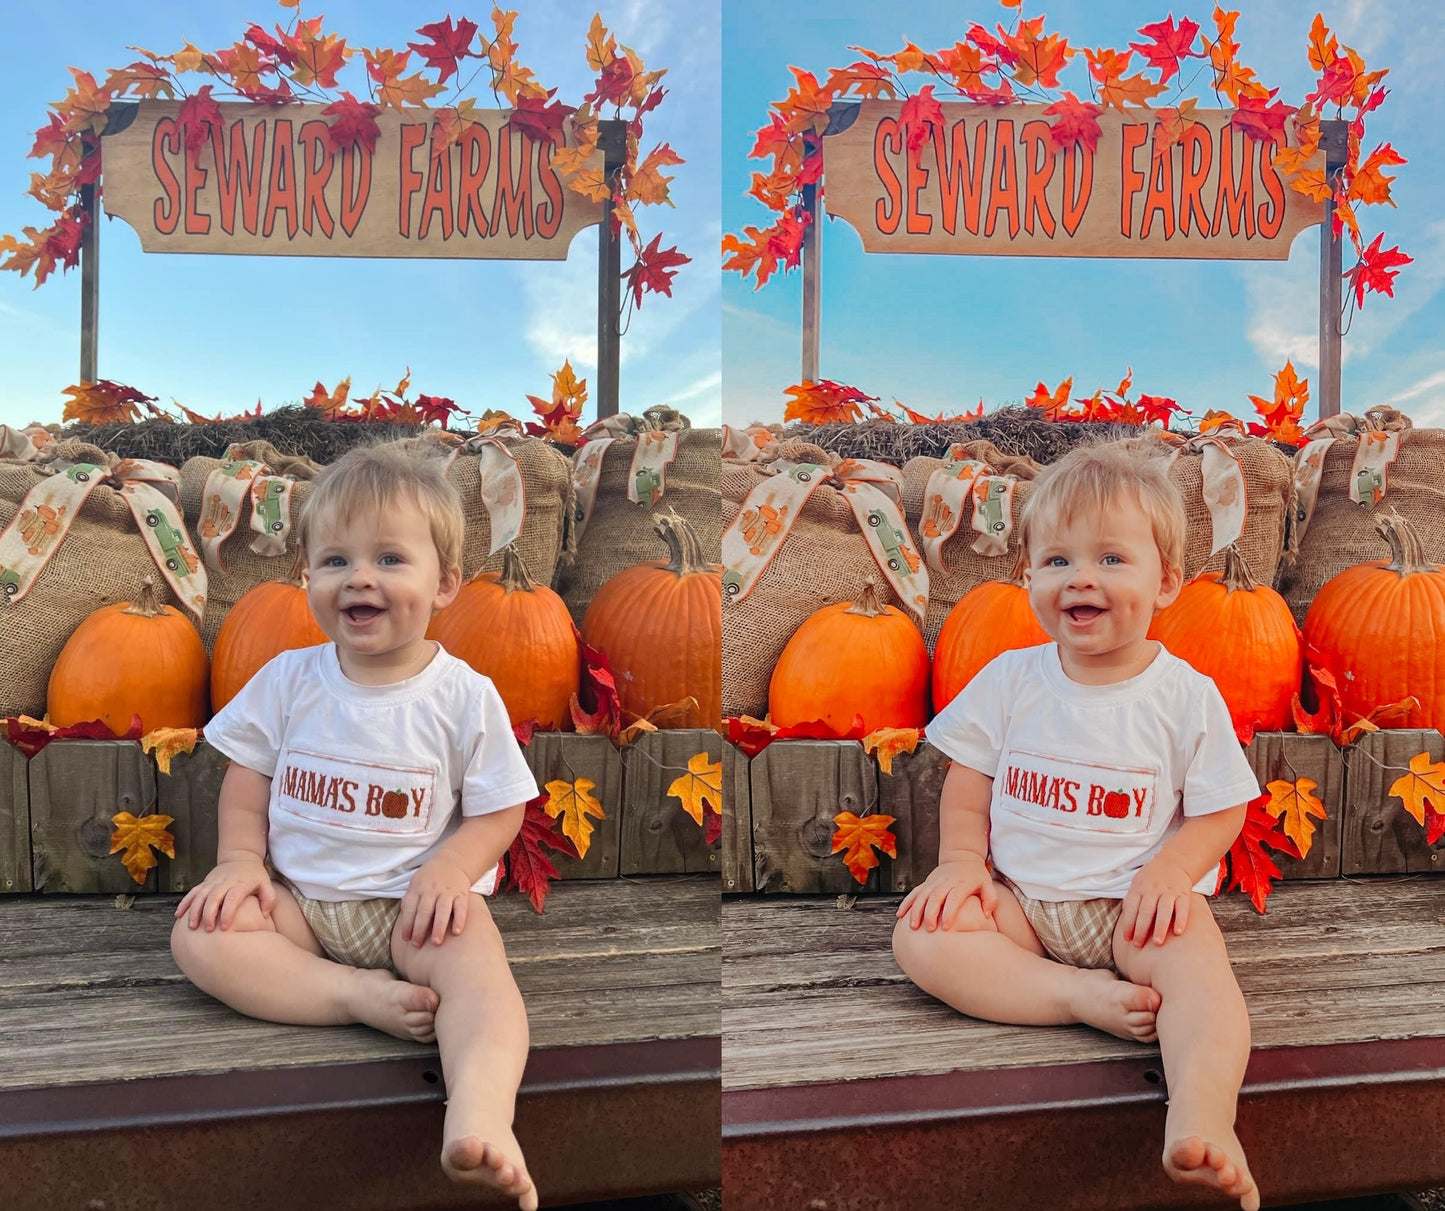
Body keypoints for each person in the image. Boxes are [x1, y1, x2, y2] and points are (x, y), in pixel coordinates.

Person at [892, 438, 1262, 1211]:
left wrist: (1170, 869)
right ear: (1026, 575)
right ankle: (1067, 994)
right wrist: (961, 862)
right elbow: (970, 780)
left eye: (1109, 560)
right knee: (920, 937)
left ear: (1167, 582)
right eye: (1056, 560)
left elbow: (1224, 803)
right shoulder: (1010, 678)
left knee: (1203, 978)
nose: (1080, 577)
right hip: (1024, 907)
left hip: (1138, 911)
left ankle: (1201, 1114)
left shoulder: (1181, 694)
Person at [172, 441, 539, 1210]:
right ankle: (347, 994)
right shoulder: (289, 679)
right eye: (335, 559)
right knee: (199, 936)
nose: (359, 577)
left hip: (417, 911)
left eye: (388, 558)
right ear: (307, 577)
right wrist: (240, 862)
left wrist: (450, 867)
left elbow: (502, 803)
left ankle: (480, 1112)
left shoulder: (461, 695)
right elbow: (248, 780)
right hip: (301, 906)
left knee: (482, 976)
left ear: (445, 584)